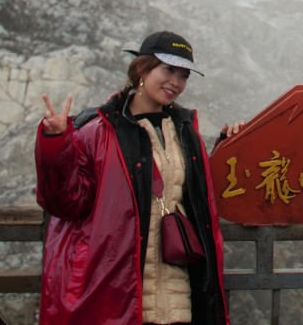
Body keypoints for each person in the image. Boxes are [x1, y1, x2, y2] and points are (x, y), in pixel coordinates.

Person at [35, 31, 239, 325]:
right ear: (142, 69)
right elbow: (66, 202)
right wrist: (56, 143)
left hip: (177, 291)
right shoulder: (99, 131)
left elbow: (195, 194)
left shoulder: (185, 131)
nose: (176, 82)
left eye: (184, 75)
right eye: (168, 70)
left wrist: (230, 144)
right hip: (118, 290)